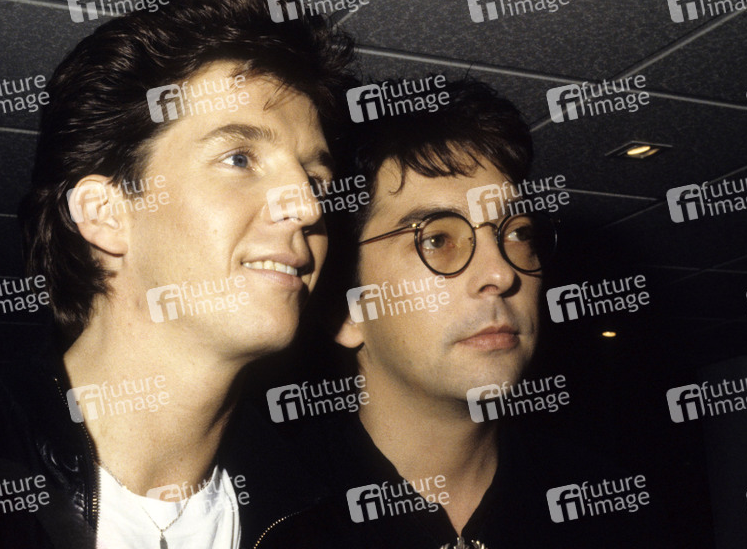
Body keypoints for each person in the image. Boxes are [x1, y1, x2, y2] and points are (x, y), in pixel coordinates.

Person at [0, 0, 355, 549]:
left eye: (316, 181)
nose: (307, 207)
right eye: (239, 159)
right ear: (105, 214)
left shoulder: (325, 520)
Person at [254, 77, 668, 548]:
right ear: (346, 312)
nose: (501, 273)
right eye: (437, 239)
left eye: (517, 233)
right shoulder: (265, 518)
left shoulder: (609, 513)